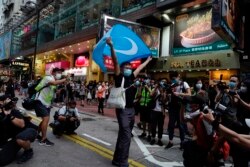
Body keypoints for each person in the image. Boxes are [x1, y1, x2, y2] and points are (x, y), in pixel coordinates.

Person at [107, 37, 152, 167]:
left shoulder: (132, 77)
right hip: (122, 110)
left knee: (123, 135)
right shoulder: (118, 77)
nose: (129, 68)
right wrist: (111, 46)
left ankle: (116, 159)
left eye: (130, 67)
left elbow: (139, 67)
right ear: (121, 69)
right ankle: (122, 162)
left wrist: (148, 61)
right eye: (126, 67)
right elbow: (115, 62)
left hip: (132, 111)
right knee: (126, 136)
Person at [34, 68, 70, 146]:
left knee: (44, 120)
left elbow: (52, 91)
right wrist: (65, 79)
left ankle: (36, 135)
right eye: (58, 72)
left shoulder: (54, 80)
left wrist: (60, 90)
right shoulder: (48, 77)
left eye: (61, 73)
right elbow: (53, 83)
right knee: (46, 119)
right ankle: (43, 139)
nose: (59, 74)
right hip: (40, 101)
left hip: (47, 104)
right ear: (53, 72)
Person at [0, 96, 37, 165]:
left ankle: (28, 151)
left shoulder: (15, 111)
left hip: (26, 132)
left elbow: (22, 124)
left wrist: (9, 115)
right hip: (10, 137)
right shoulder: (1, 112)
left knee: (2, 160)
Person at [166, 72, 191, 149]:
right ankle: (170, 141)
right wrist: (168, 95)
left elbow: (189, 94)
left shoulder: (184, 84)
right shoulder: (171, 85)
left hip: (181, 107)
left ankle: (182, 142)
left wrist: (179, 94)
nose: (173, 80)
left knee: (181, 125)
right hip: (172, 107)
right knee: (171, 124)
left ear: (178, 77)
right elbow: (167, 96)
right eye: (172, 79)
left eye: (174, 78)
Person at [150, 82, 167, 146]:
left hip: (161, 112)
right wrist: (155, 88)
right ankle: (153, 138)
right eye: (160, 85)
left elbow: (164, 101)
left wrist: (162, 93)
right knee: (153, 126)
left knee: (160, 127)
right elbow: (151, 95)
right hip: (154, 110)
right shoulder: (155, 90)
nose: (161, 86)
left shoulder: (164, 91)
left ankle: (159, 139)